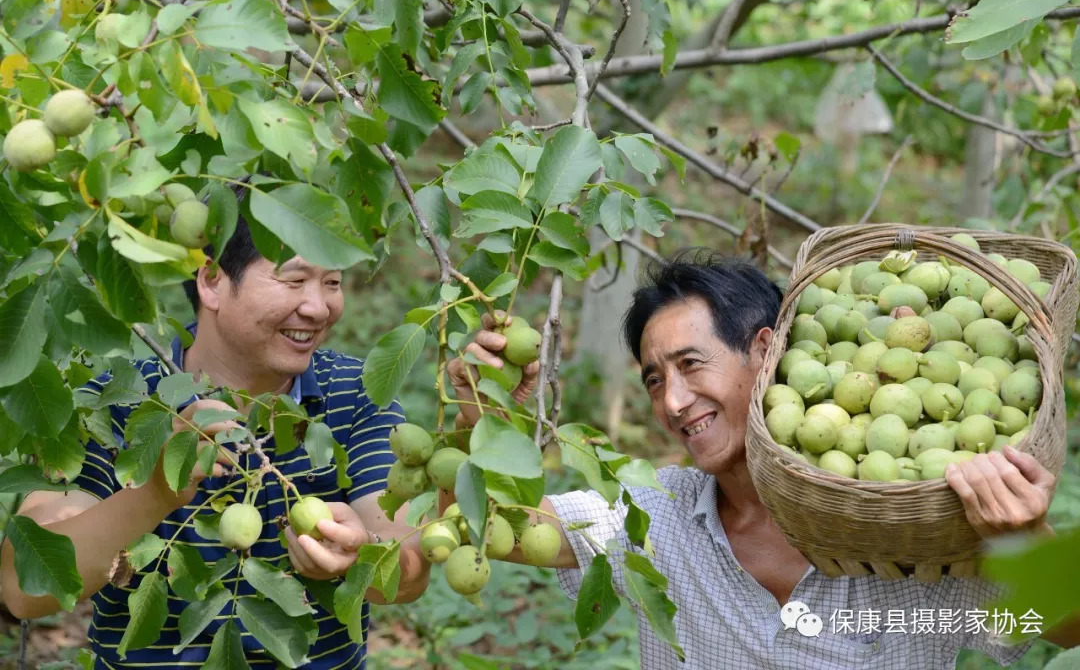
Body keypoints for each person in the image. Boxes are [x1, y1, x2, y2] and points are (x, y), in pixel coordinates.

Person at [448, 250, 1080, 669]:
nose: (673, 401)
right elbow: (484, 530)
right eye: (652, 380)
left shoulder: (911, 529)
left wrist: (1027, 539)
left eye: (692, 366)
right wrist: (476, 415)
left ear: (765, 350)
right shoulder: (654, 516)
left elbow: (1065, 626)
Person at [1, 204, 436, 668]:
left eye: (332, 282)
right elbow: (26, 590)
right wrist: (155, 493)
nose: (318, 306)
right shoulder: (115, 404)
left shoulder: (356, 393)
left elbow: (408, 573)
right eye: (293, 280)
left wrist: (359, 555)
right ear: (211, 281)